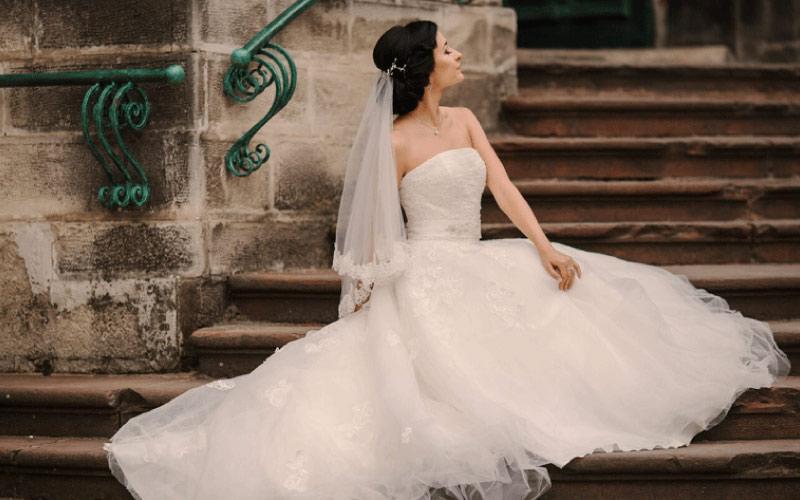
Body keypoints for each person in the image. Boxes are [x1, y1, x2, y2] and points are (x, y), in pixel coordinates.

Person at [103, 20, 790, 500]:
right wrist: (368, 299)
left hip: (483, 255)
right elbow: (374, 232)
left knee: (571, 321)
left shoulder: (464, 122)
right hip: (425, 271)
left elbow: (504, 186)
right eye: (448, 48)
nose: (459, 55)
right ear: (425, 66)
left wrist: (545, 247)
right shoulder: (393, 141)